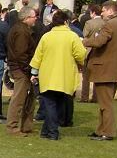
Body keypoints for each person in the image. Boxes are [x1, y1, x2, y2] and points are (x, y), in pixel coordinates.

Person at [29, 10, 86, 141]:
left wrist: (34, 72)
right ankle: (52, 132)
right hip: (65, 75)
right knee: (57, 104)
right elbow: (81, 54)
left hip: (48, 75)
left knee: (50, 104)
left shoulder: (46, 36)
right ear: (66, 21)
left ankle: (46, 131)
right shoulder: (72, 36)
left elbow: (38, 56)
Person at [82, 0, 117, 141]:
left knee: (105, 103)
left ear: (110, 11)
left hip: (105, 69)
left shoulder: (110, 25)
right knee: (105, 102)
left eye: (103, 10)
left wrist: (83, 41)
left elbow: (98, 42)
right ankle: (101, 129)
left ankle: (107, 132)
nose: (101, 13)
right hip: (115, 69)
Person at [5, 8, 38, 135]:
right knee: (18, 99)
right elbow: (21, 54)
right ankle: (12, 127)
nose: (35, 18)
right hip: (20, 69)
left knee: (28, 98)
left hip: (20, 68)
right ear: (26, 18)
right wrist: (28, 70)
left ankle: (26, 126)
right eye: (34, 16)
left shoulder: (20, 29)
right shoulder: (21, 31)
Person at [79, 4, 103, 102]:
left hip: (89, 50)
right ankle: (95, 97)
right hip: (99, 51)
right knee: (97, 75)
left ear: (93, 12)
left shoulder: (89, 23)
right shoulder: (105, 22)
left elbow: (85, 35)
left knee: (86, 76)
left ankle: (84, 97)